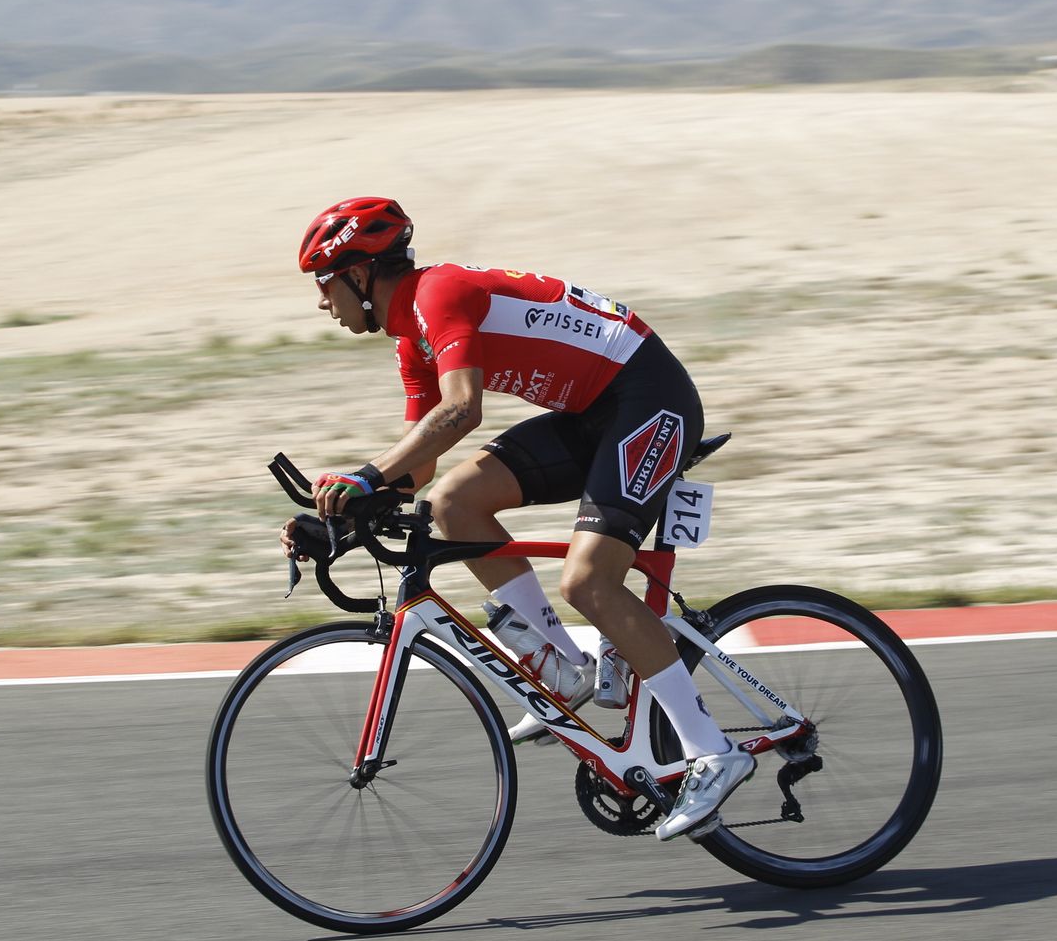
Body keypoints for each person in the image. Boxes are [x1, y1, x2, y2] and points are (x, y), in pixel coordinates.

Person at [278, 196, 754, 840]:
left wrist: (363, 474)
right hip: (596, 414)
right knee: (452, 502)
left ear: (361, 273)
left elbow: (462, 411)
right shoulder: (409, 339)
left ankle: (712, 750)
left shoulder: (438, 293)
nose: (321, 301)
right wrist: (337, 517)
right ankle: (563, 667)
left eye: (324, 282)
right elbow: (417, 468)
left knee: (589, 581)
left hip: (647, 398)